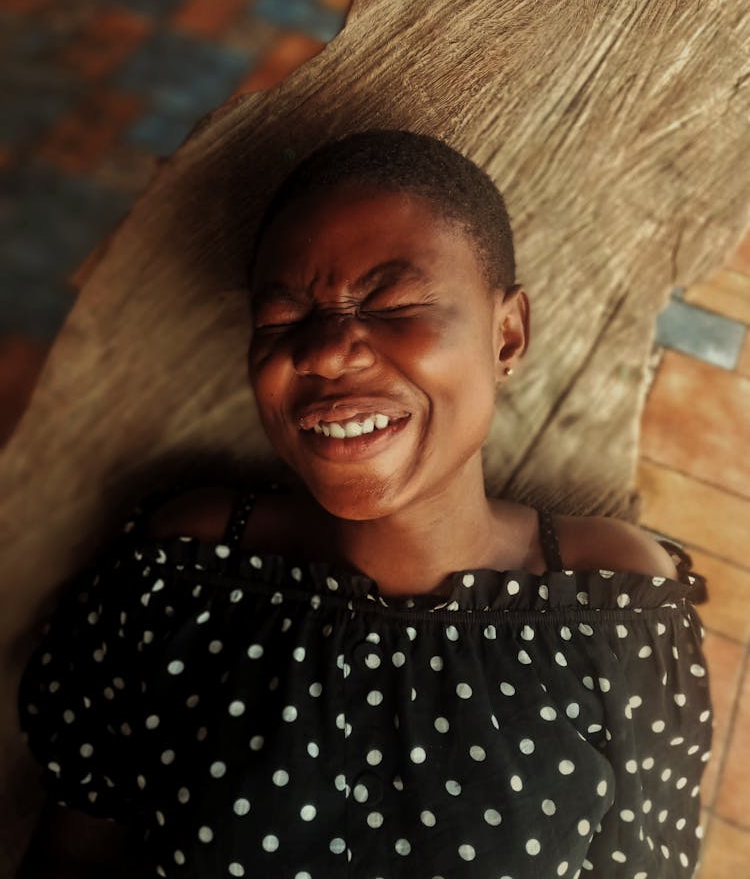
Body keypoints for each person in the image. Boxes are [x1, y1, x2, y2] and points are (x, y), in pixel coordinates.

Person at [17, 131, 712, 878]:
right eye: (280, 320)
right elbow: (77, 842)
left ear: (507, 334)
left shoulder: (615, 610)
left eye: (393, 305)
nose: (323, 351)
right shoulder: (183, 575)